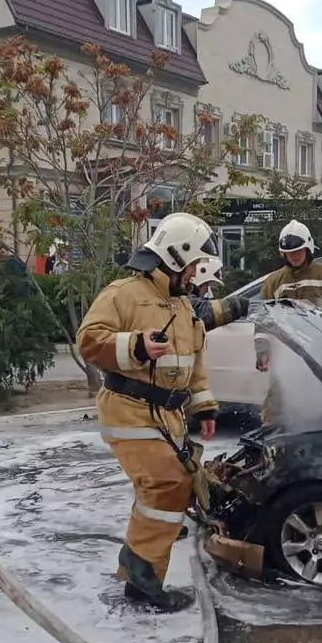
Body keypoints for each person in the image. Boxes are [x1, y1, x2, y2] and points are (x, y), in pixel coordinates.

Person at [77, 212, 219, 612]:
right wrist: (135, 345)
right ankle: (142, 580)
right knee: (166, 487)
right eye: (191, 265)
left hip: (166, 415)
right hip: (129, 410)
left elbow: (194, 361)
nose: (194, 273)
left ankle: (138, 570)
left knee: (169, 488)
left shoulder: (181, 304)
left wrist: (204, 406)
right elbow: (89, 341)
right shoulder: (124, 293)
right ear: (176, 257)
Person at [255, 219, 322, 423]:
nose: (294, 256)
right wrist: (262, 351)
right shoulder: (274, 281)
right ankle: (269, 434)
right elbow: (263, 318)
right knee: (278, 395)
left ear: (308, 248)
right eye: (289, 253)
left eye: (298, 252)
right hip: (288, 352)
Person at [188, 256, 249, 331]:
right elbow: (206, 312)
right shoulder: (188, 303)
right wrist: (241, 304)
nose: (207, 289)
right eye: (206, 284)